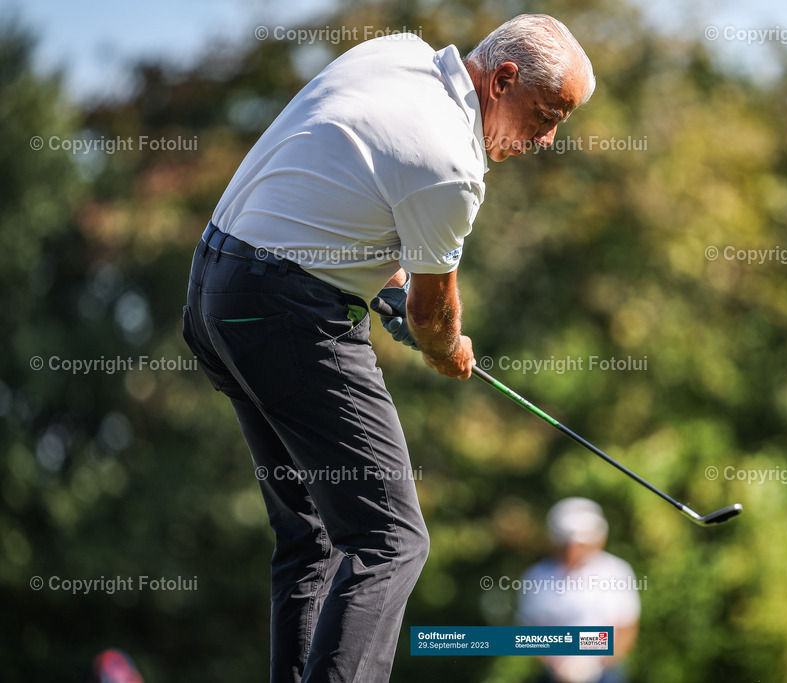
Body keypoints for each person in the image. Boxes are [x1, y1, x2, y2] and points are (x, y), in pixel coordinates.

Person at [181, 14, 595, 683]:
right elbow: (433, 317)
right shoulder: (455, 166)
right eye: (545, 114)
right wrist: (447, 346)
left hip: (215, 293)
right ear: (504, 79)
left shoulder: (398, 53)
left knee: (311, 532)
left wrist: (389, 289)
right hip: (287, 315)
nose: (546, 138)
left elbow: (347, 190)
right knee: (391, 540)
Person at [517, 498, 641, 683]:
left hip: (606, 674)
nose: (573, 550)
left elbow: (626, 628)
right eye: (566, 542)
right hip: (554, 675)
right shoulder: (537, 575)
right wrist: (557, 665)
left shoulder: (616, 571)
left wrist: (595, 665)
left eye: (580, 543)